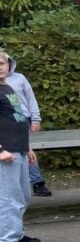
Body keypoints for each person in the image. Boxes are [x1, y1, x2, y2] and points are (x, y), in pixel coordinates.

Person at [0, 49, 38, 242]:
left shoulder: (8, 88)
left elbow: (18, 118)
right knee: (8, 198)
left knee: (22, 195)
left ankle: (15, 234)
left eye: (1, 63)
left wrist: (28, 147)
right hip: (6, 152)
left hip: (19, 148)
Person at [3, 55, 49, 197]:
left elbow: (30, 98)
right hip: (6, 131)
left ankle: (37, 181)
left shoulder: (18, 80)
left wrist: (35, 118)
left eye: (3, 63)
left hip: (23, 122)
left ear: (9, 64)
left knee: (27, 153)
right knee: (10, 198)